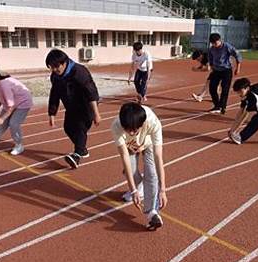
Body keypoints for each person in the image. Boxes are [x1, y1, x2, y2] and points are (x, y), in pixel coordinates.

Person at [111, 102, 168, 231]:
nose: (131, 132)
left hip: (149, 144)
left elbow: (158, 156)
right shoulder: (116, 126)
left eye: (135, 129)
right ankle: (139, 186)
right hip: (130, 146)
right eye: (128, 129)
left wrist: (163, 189)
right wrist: (133, 191)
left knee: (151, 173)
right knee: (129, 170)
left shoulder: (153, 122)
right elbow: (124, 157)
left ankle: (152, 213)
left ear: (142, 124)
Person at [46, 49, 102, 169]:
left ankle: (76, 155)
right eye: (51, 67)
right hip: (71, 106)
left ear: (64, 62)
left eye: (56, 66)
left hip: (86, 106)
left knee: (80, 128)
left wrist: (96, 114)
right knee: (68, 128)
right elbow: (54, 94)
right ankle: (82, 149)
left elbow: (91, 92)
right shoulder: (55, 77)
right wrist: (52, 113)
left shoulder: (79, 72)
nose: (55, 70)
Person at [207, 33, 242, 114]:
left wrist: (238, 68)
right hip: (216, 70)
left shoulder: (227, 46)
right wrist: (212, 67)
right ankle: (217, 105)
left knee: (225, 88)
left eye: (216, 43)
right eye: (213, 44)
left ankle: (223, 107)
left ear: (220, 40)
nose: (214, 45)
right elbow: (210, 58)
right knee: (212, 88)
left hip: (226, 70)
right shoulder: (211, 49)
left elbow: (237, 55)